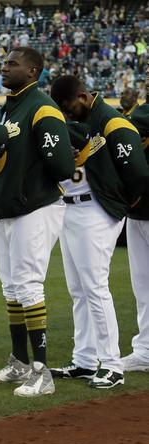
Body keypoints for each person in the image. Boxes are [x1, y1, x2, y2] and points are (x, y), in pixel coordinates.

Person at [0, 47, 74, 397]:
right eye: (4, 62)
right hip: (7, 209)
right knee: (11, 287)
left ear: (33, 71)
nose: (4, 68)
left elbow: (63, 165)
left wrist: (29, 183)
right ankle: (20, 362)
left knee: (29, 285)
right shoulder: (11, 106)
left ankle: (42, 372)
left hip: (35, 207)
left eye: (12, 64)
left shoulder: (42, 107)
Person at [48, 75, 149, 388]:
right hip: (71, 207)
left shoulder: (111, 121)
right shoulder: (92, 118)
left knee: (94, 286)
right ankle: (85, 359)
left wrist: (120, 203)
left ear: (82, 95)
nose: (67, 112)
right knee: (78, 289)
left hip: (96, 209)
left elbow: (138, 172)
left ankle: (112, 364)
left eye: (68, 106)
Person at [120, 70, 149, 372]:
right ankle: (145, 350)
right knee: (142, 286)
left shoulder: (140, 115)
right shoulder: (141, 112)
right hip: (138, 210)